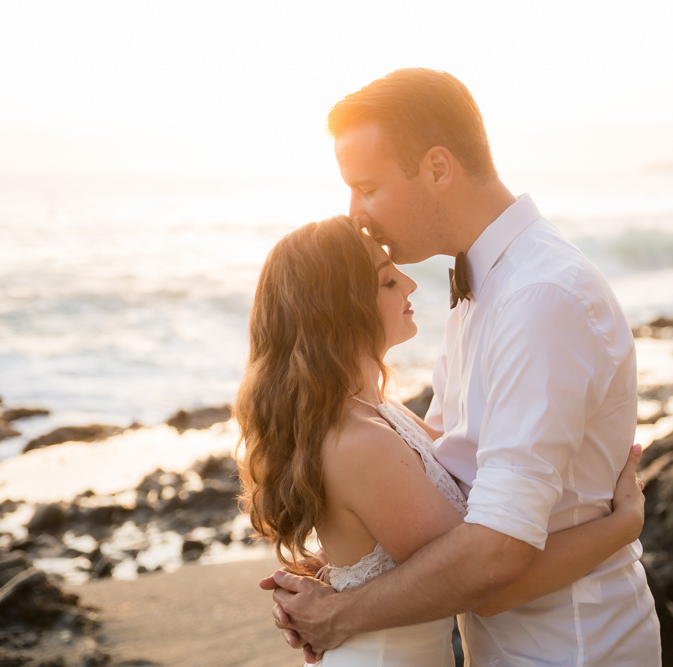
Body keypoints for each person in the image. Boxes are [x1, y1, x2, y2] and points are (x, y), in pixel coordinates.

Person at [264, 69, 662, 665]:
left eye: (367, 187)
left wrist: (344, 612)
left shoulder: (540, 297)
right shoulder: (485, 286)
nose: (357, 214)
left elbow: (497, 556)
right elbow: (443, 478)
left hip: (570, 648)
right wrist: (342, 569)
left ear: (438, 169)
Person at [237, 216, 647, 666]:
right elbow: (485, 582)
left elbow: (399, 522)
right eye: (387, 281)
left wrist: (337, 574)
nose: (410, 284)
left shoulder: (380, 413)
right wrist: (621, 526)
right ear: (338, 309)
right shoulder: (360, 441)